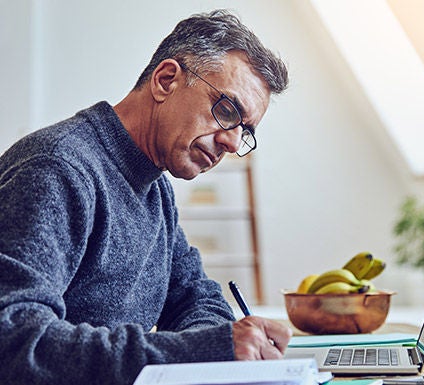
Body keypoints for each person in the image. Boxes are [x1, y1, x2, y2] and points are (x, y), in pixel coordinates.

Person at [0, 9, 291, 385]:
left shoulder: (155, 190)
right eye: (227, 110)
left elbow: (198, 302)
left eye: (245, 130)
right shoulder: (57, 168)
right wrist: (198, 352)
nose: (233, 142)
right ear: (166, 80)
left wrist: (214, 348)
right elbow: (15, 341)